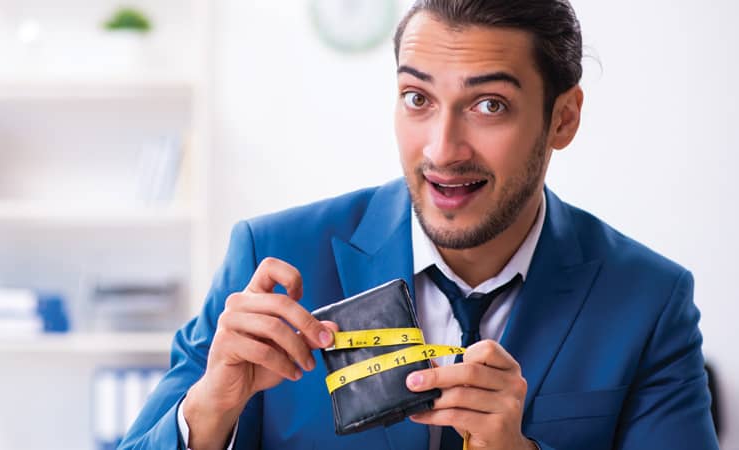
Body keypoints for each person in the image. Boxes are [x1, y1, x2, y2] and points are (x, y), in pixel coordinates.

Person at [118, 0, 719, 449]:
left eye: (490, 106)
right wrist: (207, 414)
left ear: (563, 119)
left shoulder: (650, 301)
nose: (442, 149)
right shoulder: (269, 257)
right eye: (417, 98)